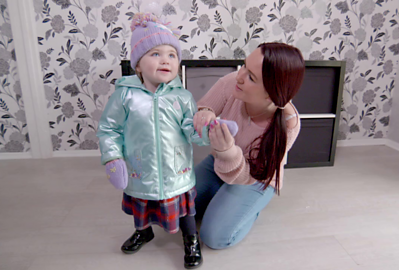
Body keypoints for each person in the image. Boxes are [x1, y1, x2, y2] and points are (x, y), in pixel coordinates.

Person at [97, 13, 206, 269]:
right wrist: (112, 157)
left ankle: (191, 238)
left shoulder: (183, 96)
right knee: (141, 205)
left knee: (186, 209)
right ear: (138, 64)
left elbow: (191, 129)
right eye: (155, 54)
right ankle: (144, 231)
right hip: (140, 168)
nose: (165, 60)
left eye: (172, 55)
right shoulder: (125, 96)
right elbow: (108, 129)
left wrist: (207, 131)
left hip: (177, 170)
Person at [192, 42, 305, 249]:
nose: (240, 76)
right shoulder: (232, 83)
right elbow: (202, 106)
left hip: (255, 179)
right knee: (176, 209)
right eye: (244, 65)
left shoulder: (288, 124)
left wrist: (228, 152)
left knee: (214, 238)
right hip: (218, 164)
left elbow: (253, 174)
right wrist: (205, 111)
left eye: (251, 77)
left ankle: (250, 208)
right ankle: (221, 194)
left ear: (271, 93)